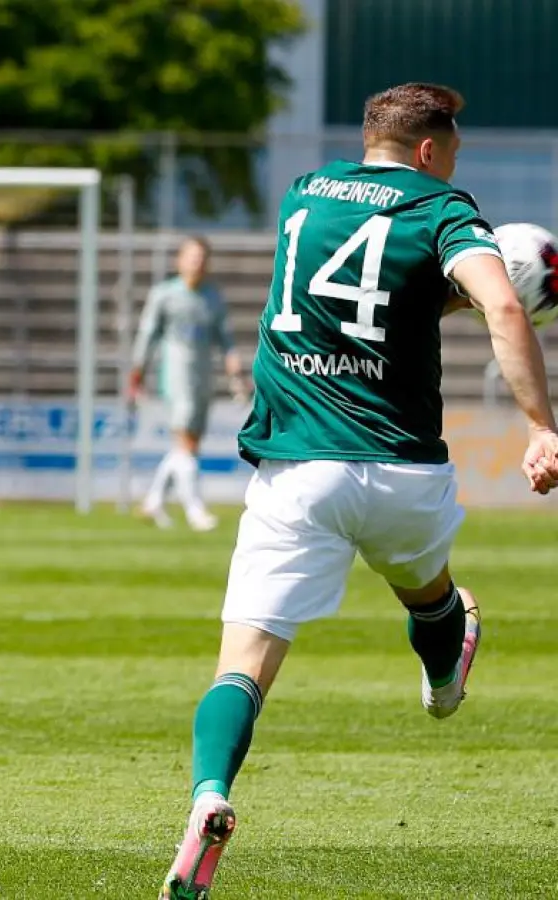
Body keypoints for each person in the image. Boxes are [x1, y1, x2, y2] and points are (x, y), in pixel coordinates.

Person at [159, 83, 558, 899]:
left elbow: (357, 300)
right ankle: (445, 667)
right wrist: (542, 427)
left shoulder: (305, 196)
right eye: (451, 152)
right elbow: (504, 306)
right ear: (426, 151)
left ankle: (208, 799)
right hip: (403, 470)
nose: (453, 166)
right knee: (428, 592)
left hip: (299, 468)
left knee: (242, 664)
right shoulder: (445, 210)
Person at [128, 236, 248, 531]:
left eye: (202, 257)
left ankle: (154, 500)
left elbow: (225, 339)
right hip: (176, 373)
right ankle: (196, 510)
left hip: (203, 375)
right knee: (186, 441)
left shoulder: (212, 297)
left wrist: (236, 370)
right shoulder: (164, 294)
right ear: (179, 260)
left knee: (189, 444)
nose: (197, 262)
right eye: (192, 256)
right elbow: (148, 336)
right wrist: (137, 373)